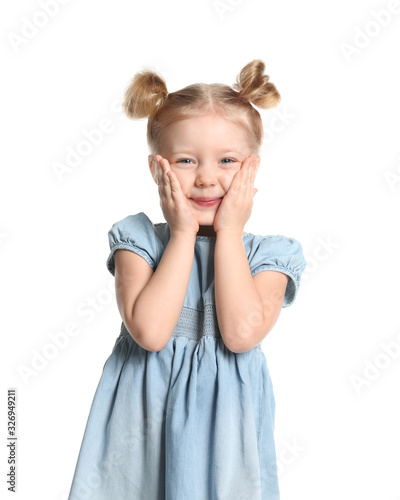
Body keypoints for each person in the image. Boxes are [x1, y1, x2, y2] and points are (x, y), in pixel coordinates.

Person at [68, 59, 307, 500]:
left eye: (227, 160)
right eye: (185, 160)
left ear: (252, 167)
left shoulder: (269, 256)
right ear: (157, 168)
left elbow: (239, 335)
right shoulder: (137, 242)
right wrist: (182, 233)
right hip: (140, 432)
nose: (206, 178)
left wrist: (230, 232)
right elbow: (152, 333)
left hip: (224, 443)